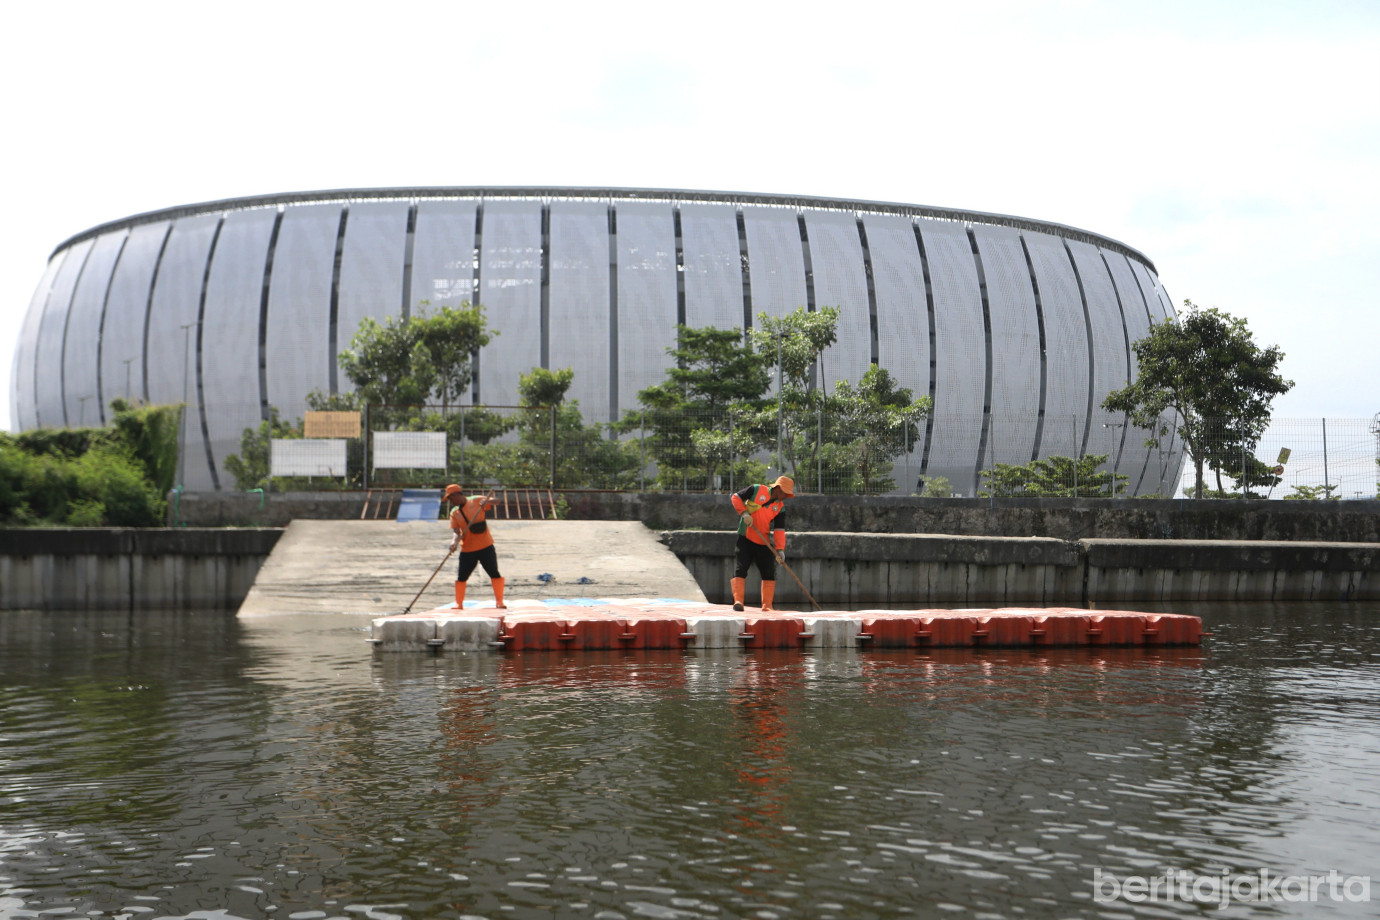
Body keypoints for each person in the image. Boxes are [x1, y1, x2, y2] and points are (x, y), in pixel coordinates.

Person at [728, 475, 794, 612]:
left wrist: (780, 550)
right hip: (745, 537)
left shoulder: (780, 508)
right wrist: (744, 513)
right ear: (779, 489)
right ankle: (738, 601)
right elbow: (735, 497)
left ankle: (767, 606)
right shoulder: (756, 490)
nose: (786, 497)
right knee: (741, 568)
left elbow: (779, 530)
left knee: (768, 572)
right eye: (786, 494)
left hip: (763, 540)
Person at [444, 484, 505, 609]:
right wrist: (454, 543)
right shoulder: (454, 512)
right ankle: (458, 603)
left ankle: (499, 602)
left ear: (457, 495)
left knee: (494, 572)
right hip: (467, 550)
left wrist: (487, 501)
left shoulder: (476, 500)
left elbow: (497, 501)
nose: (451, 502)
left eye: (451, 498)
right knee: (462, 576)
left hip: (485, 546)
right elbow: (456, 532)